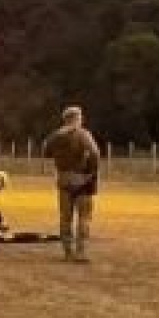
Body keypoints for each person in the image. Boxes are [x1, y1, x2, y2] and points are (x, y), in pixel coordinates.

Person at [41, 105, 100, 263]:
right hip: (82, 180)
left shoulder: (56, 136)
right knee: (84, 217)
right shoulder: (83, 134)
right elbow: (94, 153)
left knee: (65, 218)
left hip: (63, 180)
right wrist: (91, 175)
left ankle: (67, 252)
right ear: (77, 118)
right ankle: (80, 252)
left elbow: (45, 151)